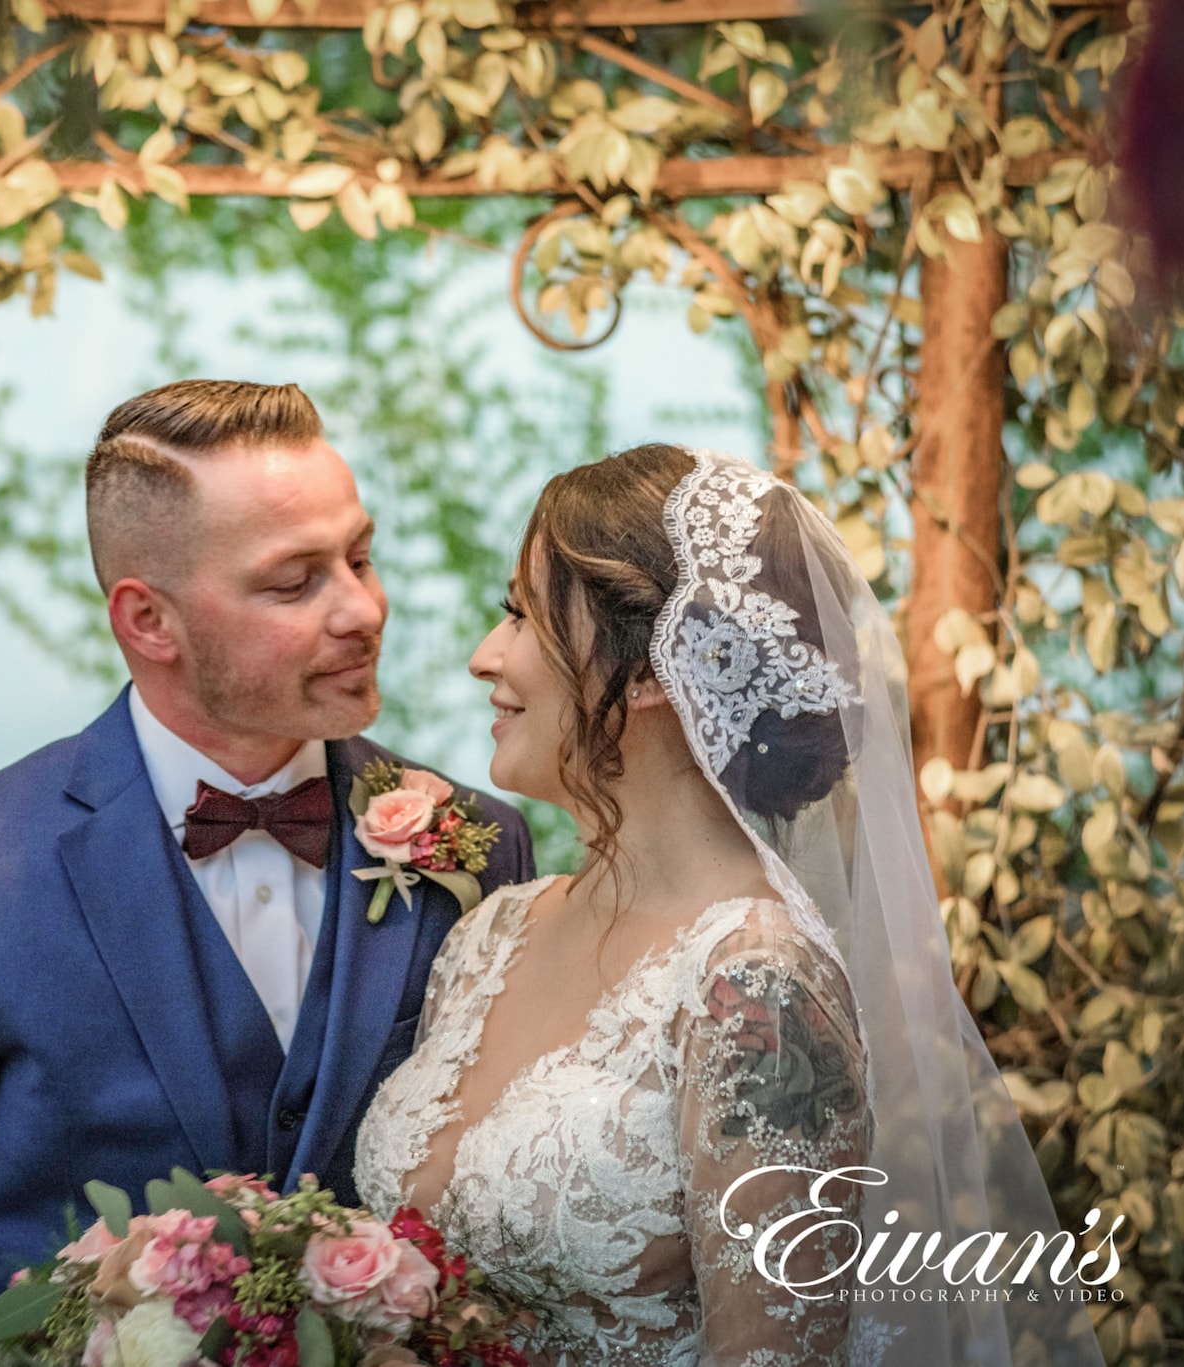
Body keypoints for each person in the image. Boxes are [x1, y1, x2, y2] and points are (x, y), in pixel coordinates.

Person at [0, 380, 534, 1366]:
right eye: (294, 581)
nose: (361, 608)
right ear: (148, 620)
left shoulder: (475, 843)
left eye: (359, 556)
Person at [356, 444, 1105, 1366]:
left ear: (647, 672)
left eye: (520, 614)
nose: (485, 657)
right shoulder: (488, 936)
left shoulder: (758, 987)